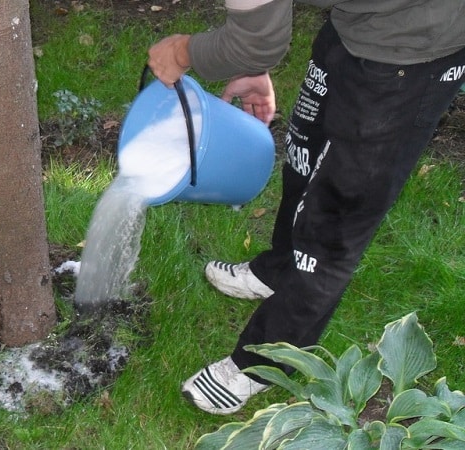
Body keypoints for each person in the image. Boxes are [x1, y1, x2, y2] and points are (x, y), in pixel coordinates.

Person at [147, 0, 465, 415]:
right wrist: (252, 60)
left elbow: (252, 35)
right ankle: (278, 268)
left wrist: (183, 51)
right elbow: (257, 26)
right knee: (302, 155)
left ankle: (261, 362)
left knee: (335, 221)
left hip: (413, 48)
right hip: (353, 25)